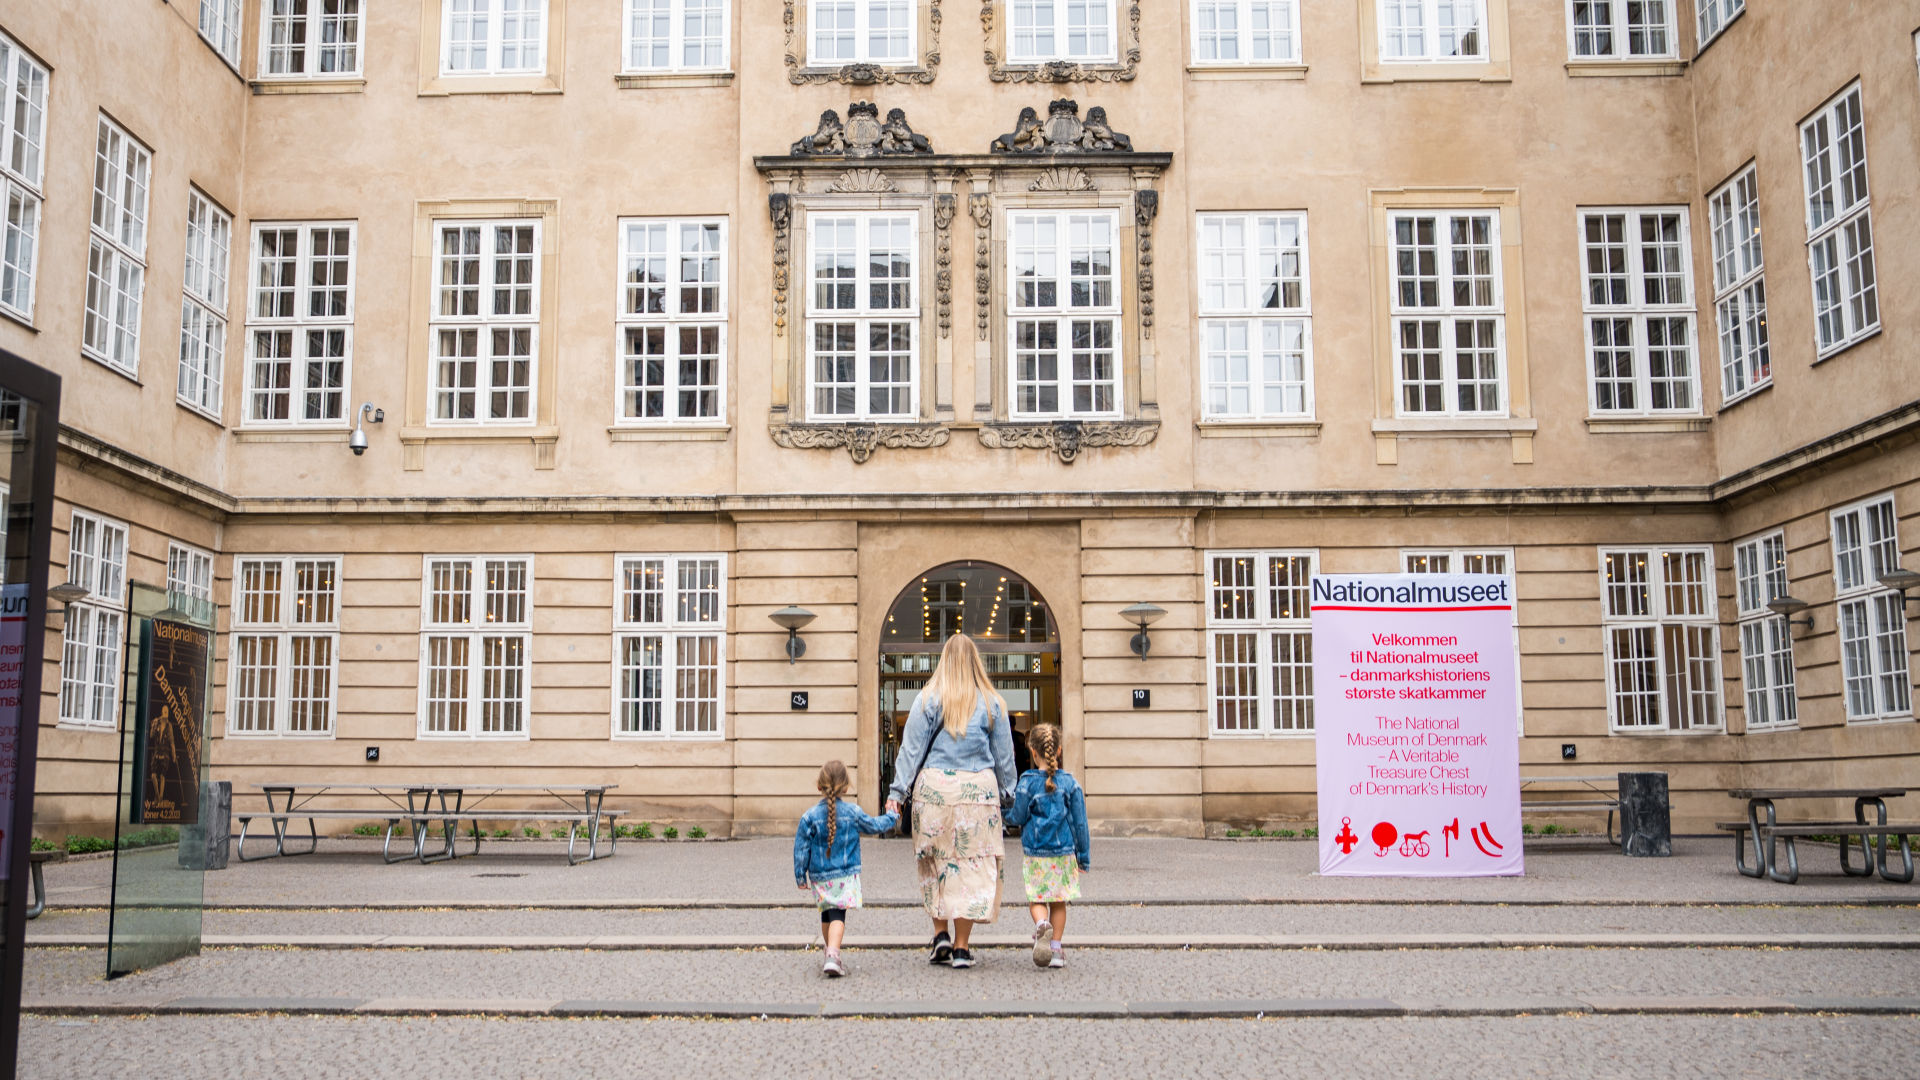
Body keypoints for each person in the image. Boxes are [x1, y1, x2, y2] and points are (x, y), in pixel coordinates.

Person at [885, 633, 1017, 970]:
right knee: (971, 868)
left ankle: (940, 933)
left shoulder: (927, 699)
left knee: (934, 862)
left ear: (944, 659)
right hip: (978, 793)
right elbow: (1005, 758)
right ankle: (961, 947)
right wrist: (1008, 794)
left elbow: (910, 751)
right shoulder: (993, 703)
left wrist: (896, 794)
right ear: (976, 661)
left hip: (935, 792)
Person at [794, 759, 898, 977]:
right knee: (838, 915)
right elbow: (875, 826)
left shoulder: (809, 816)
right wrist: (892, 815)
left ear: (819, 786)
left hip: (819, 876)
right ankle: (833, 955)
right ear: (846, 787)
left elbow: (801, 848)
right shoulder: (853, 812)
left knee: (826, 914)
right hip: (844, 875)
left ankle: (830, 952)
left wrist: (800, 876)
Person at [1006, 721, 1090, 969]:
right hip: (1064, 853)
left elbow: (1018, 817)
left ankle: (1041, 925)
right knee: (1059, 901)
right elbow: (1080, 823)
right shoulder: (1070, 783)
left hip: (1035, 853)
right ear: (1060, 750)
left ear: (1033, 752)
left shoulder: (1027, 782)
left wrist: (1003, 815)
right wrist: (1083, 856)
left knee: (1037, 898)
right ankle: (1055, 949)